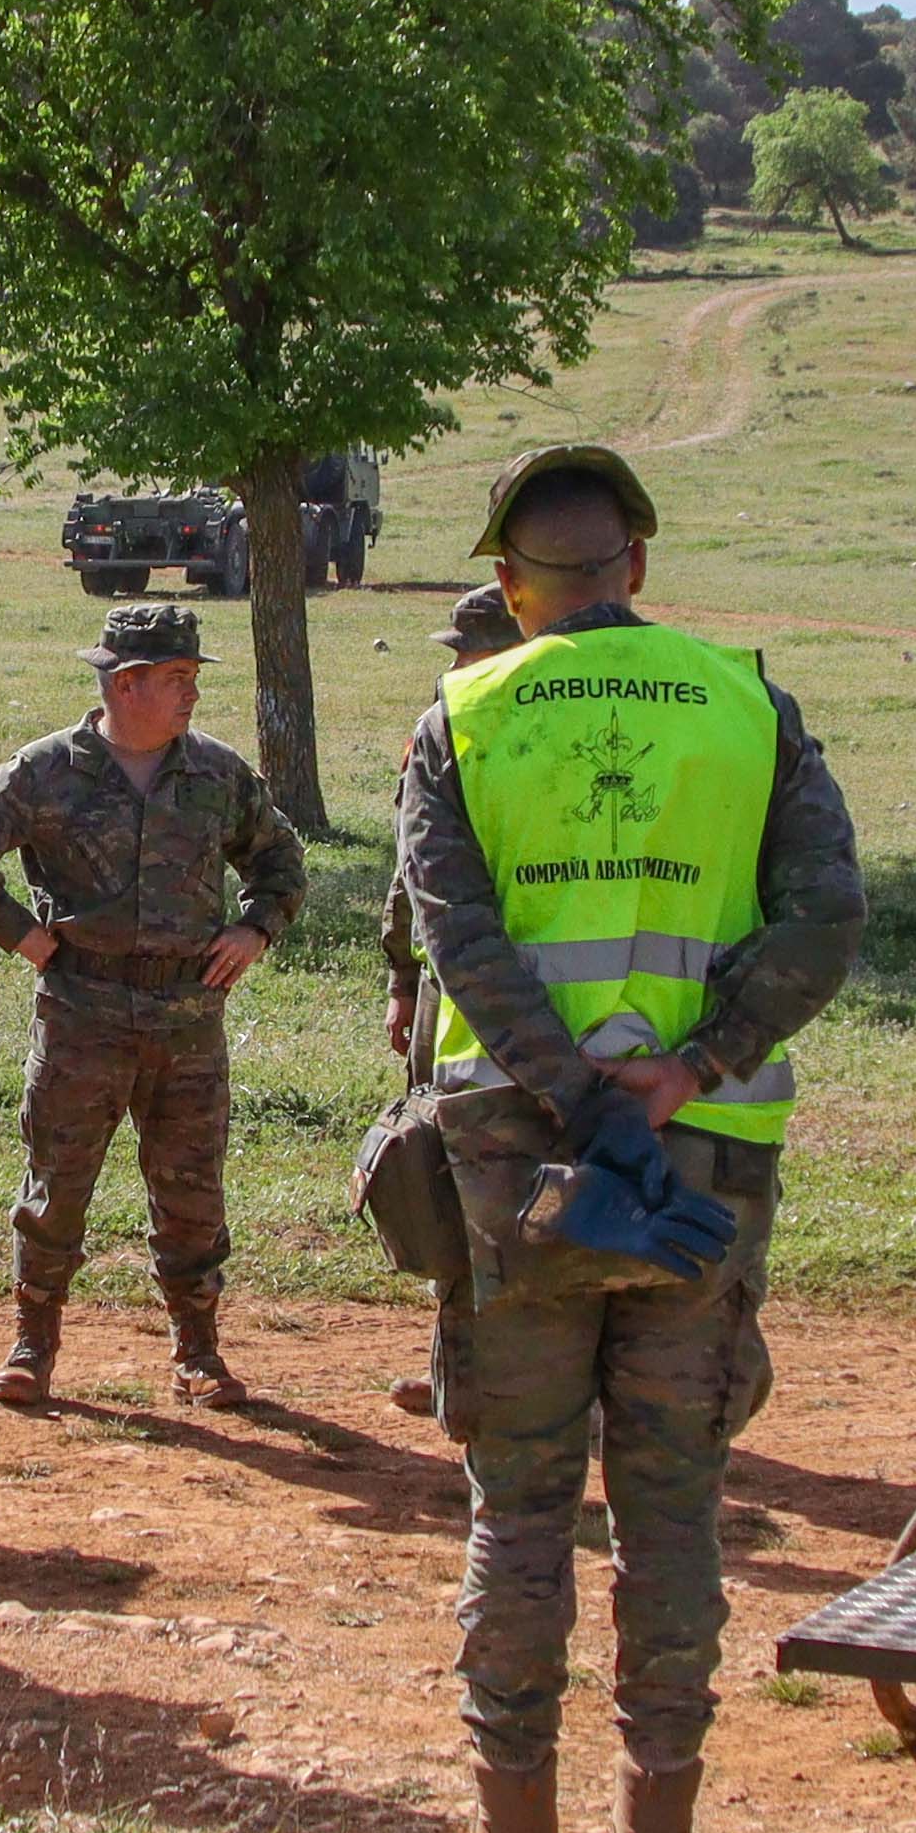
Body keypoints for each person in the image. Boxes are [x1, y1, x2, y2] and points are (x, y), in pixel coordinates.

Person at [400, 441, 862, 1833]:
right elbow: (825, 916)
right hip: (699, 1162)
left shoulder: (463, 712)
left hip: (514, 1160)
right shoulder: (746, 703)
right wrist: (696, 1061)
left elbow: (457, 939)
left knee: (517, 1502)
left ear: (510, 587)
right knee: (673, 1507)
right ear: (637, 571)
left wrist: (575, 1090)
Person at [0, 599, 308, 1413]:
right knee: (56, 1189)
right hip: (81, 1016)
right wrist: (22, 935)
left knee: (192, 1194)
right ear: (125, 685)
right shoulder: (45, 771)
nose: (191, 694)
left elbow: (280, 863)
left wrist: (255, 928)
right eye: (176, 678)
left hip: (188, 1021)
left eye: (193, 678)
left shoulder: (215, 773)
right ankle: (33, 1346)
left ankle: (198, 1354)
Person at [374, 581, 526, 1421]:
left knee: (506, 1184)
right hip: (444, 990)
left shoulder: (541, 743)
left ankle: (536, 1383)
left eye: (476, 650)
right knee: (439, 1174)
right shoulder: (440, 733)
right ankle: (455, 1376)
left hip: (518, 989)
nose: (461, 666)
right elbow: (409, 874)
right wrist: (401, 978)